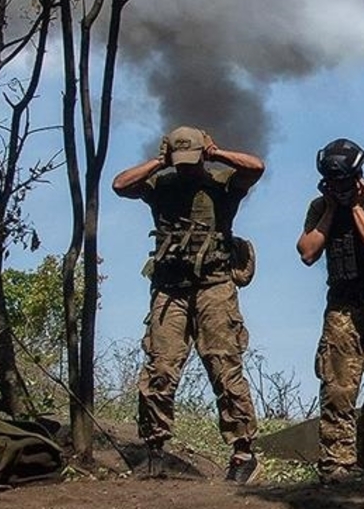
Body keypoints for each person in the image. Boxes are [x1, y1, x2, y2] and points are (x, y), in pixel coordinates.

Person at [111, 125, 264, 484]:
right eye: (180, 161)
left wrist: (217, 153)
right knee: (159, 370)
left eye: (191, 160)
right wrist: (158, 162)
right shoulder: (160, 185)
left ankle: (244, 454)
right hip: (170, 289)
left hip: (215, 286)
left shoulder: (222, 182)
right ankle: (155, 450)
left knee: (225, 369)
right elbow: (120, 185)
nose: (186, 167)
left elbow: (256, 167)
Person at [296, 138, 364, 483]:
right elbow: (307, 252)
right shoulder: (319, 207)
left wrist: (356, 207)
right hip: (342, 305)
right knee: (338, 388)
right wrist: (331, 209)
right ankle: (336, 465)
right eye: (333, 184)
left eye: (345, 182)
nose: (340, 189)